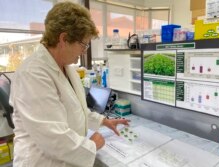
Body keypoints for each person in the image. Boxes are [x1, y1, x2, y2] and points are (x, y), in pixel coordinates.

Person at [9, 2, 129, 167]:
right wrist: (92, 145)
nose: (84, 51)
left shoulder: (67, 68)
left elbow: (77, 109)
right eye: (83, 44)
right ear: (63, 39)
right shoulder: (32, 74)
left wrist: (103, 121)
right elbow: (53, 138)